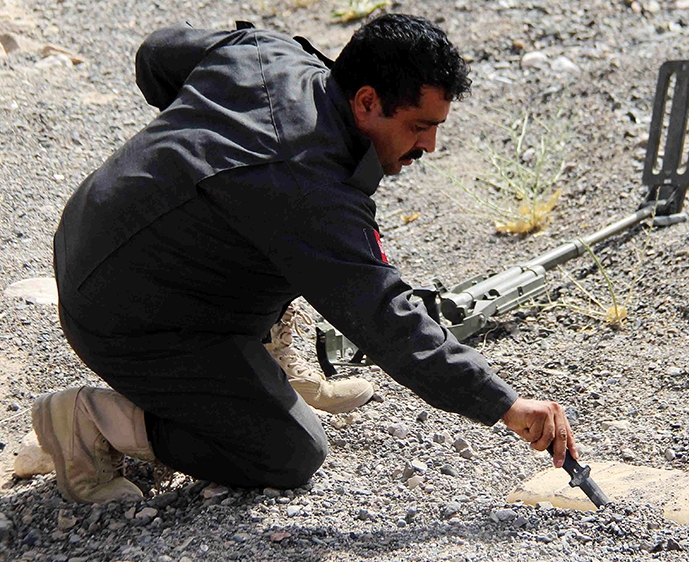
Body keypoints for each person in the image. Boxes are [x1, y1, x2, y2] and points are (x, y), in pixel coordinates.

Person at [30, 14, 577, 504]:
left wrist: (186, 144)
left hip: (94, 235)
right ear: (365, 101)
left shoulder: (269, 55)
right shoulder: (309, 189)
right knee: (286, 452)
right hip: (122, 312)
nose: (429, 146)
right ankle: (93, 421)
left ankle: (262, 354)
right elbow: (387, 319)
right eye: (418, 126)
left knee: (261, 228)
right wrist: (505, 404)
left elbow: (157, 52)